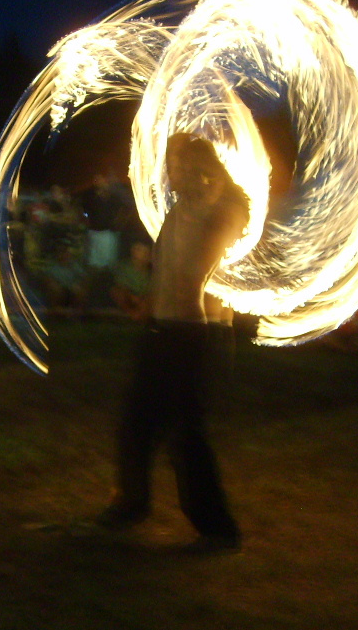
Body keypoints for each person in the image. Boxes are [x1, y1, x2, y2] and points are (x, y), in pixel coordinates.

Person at [97, 134, 248, 552]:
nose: (170, 172)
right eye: (170, 164)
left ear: (202, 165)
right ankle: (131, 503)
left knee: (186, 433)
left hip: (196, 334)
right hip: (163, 329)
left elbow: (199, 266)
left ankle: (218, 529)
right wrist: (143, 304)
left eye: (179, 164)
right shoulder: (178, 211)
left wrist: (177, 298)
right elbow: (169, 271)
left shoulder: (227, 206)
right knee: (137, 422)